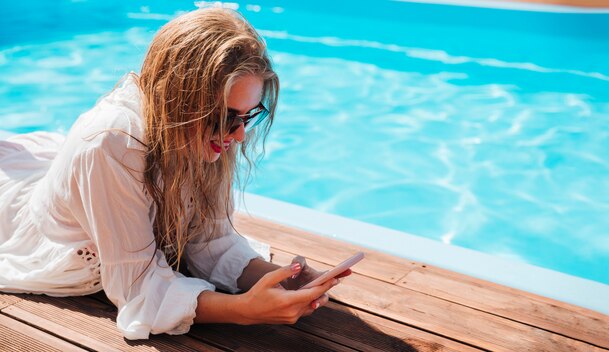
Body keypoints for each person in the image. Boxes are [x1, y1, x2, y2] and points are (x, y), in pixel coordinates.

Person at [0, 8, 349, 340]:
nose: (239, 134)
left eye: (247, 115)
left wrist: (283, 280)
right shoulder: (111, 144)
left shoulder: (207, 135)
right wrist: (244, 309)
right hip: (22, 220)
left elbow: (210, 240)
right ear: (180, 101)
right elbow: (138, 287)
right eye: (227, 116)